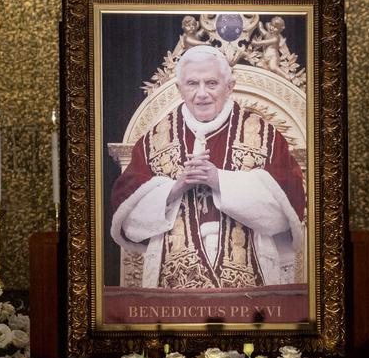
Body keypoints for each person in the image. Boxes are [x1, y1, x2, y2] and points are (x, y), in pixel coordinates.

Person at [110, 45, 306, 290]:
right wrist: (173, 189)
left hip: (251, 289)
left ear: (229, 87)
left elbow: (286, 214)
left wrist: (220, 181)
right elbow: (128, 221)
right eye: (192, 84)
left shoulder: (266, 136)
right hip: (172, 287)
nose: (202, 93)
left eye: (211, 83)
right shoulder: (154, 141)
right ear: (179, 89)